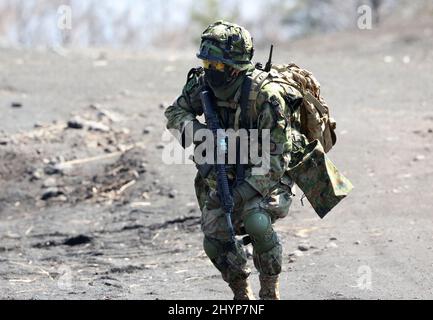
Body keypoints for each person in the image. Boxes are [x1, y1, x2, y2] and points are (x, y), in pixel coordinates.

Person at [164, 20, 350, 300]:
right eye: (207, 64)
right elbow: (175, 113)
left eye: (217, 65)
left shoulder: (265, 95)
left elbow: (278, 157)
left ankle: (269, 290)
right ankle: (241, 293)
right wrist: (200, 132)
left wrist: (243, 192)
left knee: (256, 220)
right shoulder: (202, 85)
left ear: (235, 66)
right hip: (226, 169)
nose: (210, 71)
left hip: (269, 169)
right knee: (214, 238)